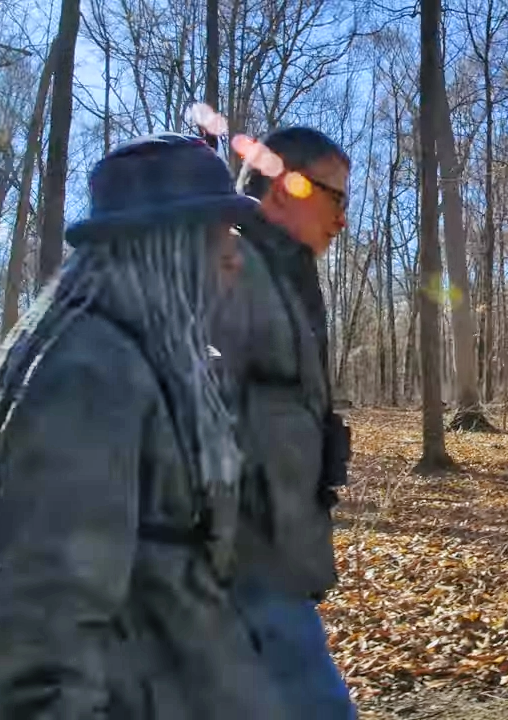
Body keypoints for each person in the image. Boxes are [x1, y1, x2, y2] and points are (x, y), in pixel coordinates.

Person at [0, 133, 293, 719]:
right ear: (160, 245)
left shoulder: (160, 360)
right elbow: (39, 648)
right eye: (217, 233)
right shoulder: (88, 373)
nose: (234, 254)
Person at [213, 126, 355, 718]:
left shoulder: (286, 277)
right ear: (284, 188)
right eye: (335, 197)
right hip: (239, 575)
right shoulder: (227, 268)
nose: (343, 219)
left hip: (276, 565)